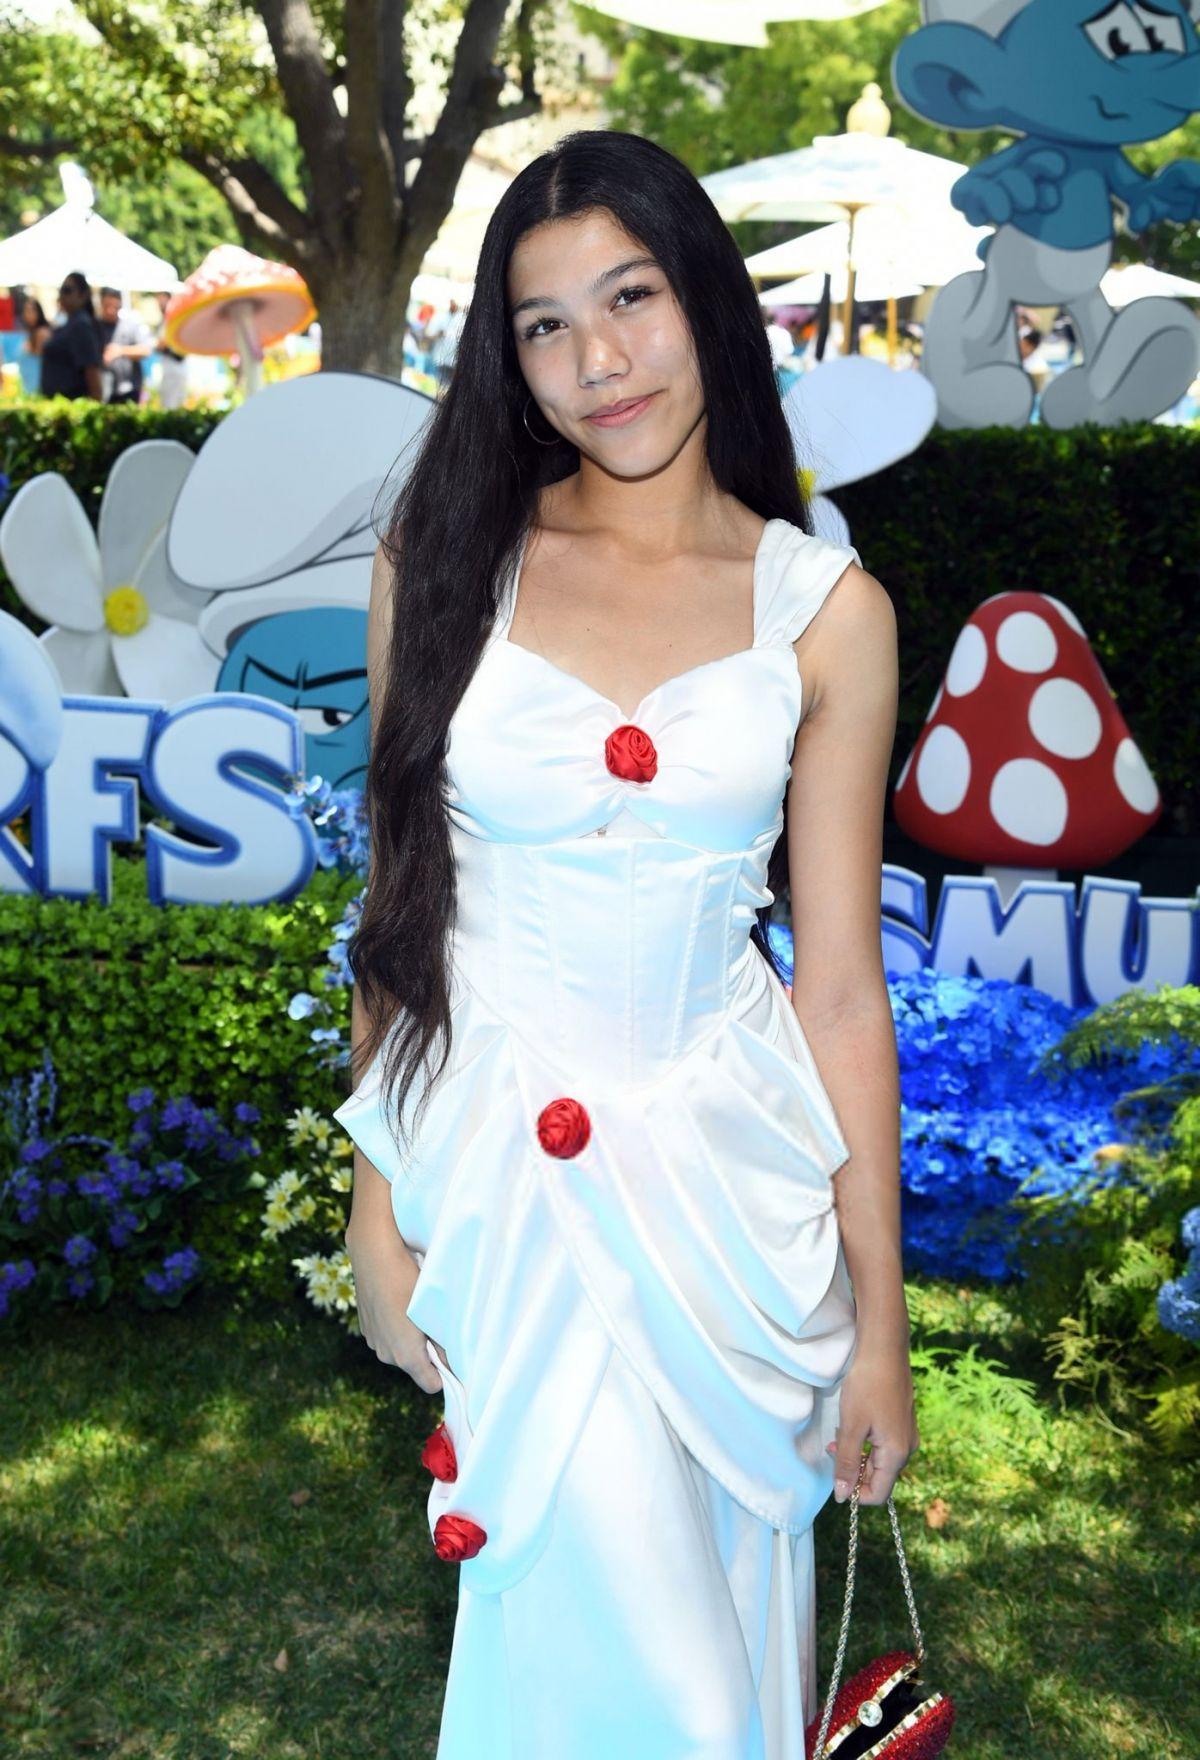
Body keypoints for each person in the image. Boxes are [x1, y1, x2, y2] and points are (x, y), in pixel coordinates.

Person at [336, 127, 913, 1757]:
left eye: (631, 298)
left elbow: (841, 989)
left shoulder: (829, 613)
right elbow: (403, 910)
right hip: (514, 1209)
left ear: (706, 299)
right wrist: (379, 1207)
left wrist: (881, 1325)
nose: (598, 360)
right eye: (545, 324)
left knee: (725, 1647)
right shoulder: (443, 567)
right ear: (508, 361)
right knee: (652, 1685)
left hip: (735, 1217)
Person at [39, 271, 103, 401]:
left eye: (67, 290)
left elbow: (91, 371)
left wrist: (95, 406)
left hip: (73, 404)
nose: (62, 295)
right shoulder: (71, 323)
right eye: (61, 290)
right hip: (59, 404)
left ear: (83, 295)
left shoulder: (81, 325)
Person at [96, 287, 154, 404]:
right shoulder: (95, 326)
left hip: (128, 389)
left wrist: (121, 351)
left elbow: (146, 350)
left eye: (115, 307)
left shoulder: (129, 325)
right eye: (107, 306)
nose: (111, 311)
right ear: (101, 303)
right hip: (103, 388)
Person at [17, 294, 51, 396]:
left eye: (32, 311)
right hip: (27, 385)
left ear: (39, 312)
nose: (29, 314)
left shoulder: (42, 333)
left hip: (38, 385)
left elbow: (42, 362)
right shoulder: (28, 333)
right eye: (26, 311)